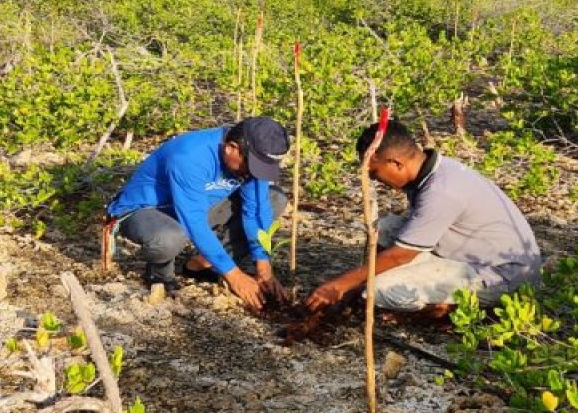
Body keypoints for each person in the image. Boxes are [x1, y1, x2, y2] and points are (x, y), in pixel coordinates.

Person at [305, 119, 541, 317]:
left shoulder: (441, 191)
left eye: (374, 173)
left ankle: (446, 310)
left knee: (382, 290)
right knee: (385, 228)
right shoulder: (431, 171)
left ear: (396, 163)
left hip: (503, 276)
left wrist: (341, 284)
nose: (374, 180)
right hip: (472, 254)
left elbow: (402, 255)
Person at [107, 117, 291, 311]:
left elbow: (255, 211)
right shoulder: (189, 156)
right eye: (252, 167)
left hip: (199, 205)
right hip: (149, 210)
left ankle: (204, 264)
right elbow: (194, 221)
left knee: (274, 200)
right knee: (169, 237)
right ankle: (159, 273)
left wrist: (264, 270)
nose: (254, 174)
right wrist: (234, 276)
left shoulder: (252, 158)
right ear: (231, 148)